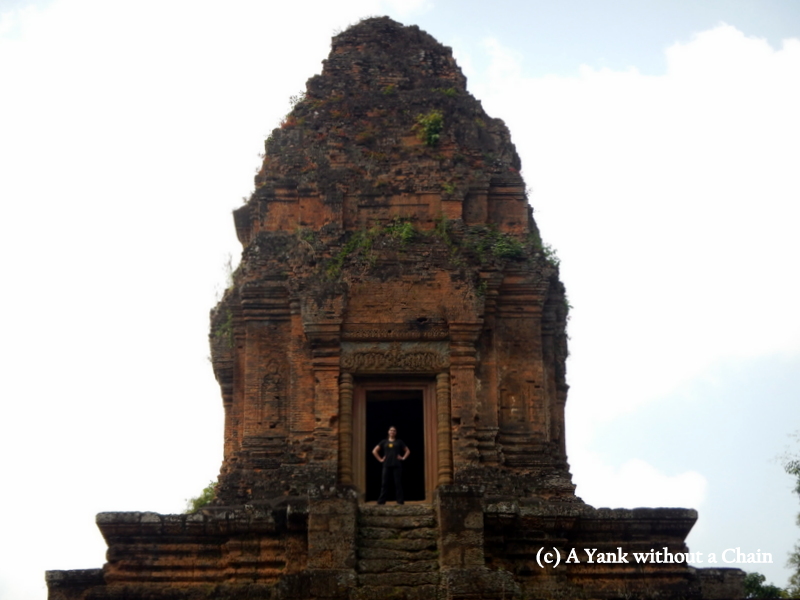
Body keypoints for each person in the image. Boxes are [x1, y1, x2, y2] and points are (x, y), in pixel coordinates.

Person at [372, 426, 410, 505]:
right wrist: (380, 459)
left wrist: (403, 458)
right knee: (384, 483)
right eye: (391, 430)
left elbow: (407, 451)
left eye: (394, 431)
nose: (392, 432)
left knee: (398, 483)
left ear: (396, 433)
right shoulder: (384, 442)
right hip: (386, 464)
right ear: (388, 432)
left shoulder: (399, 442)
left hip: (397, 464)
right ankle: (381, 501)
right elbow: (374, 451)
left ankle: (400, 501)